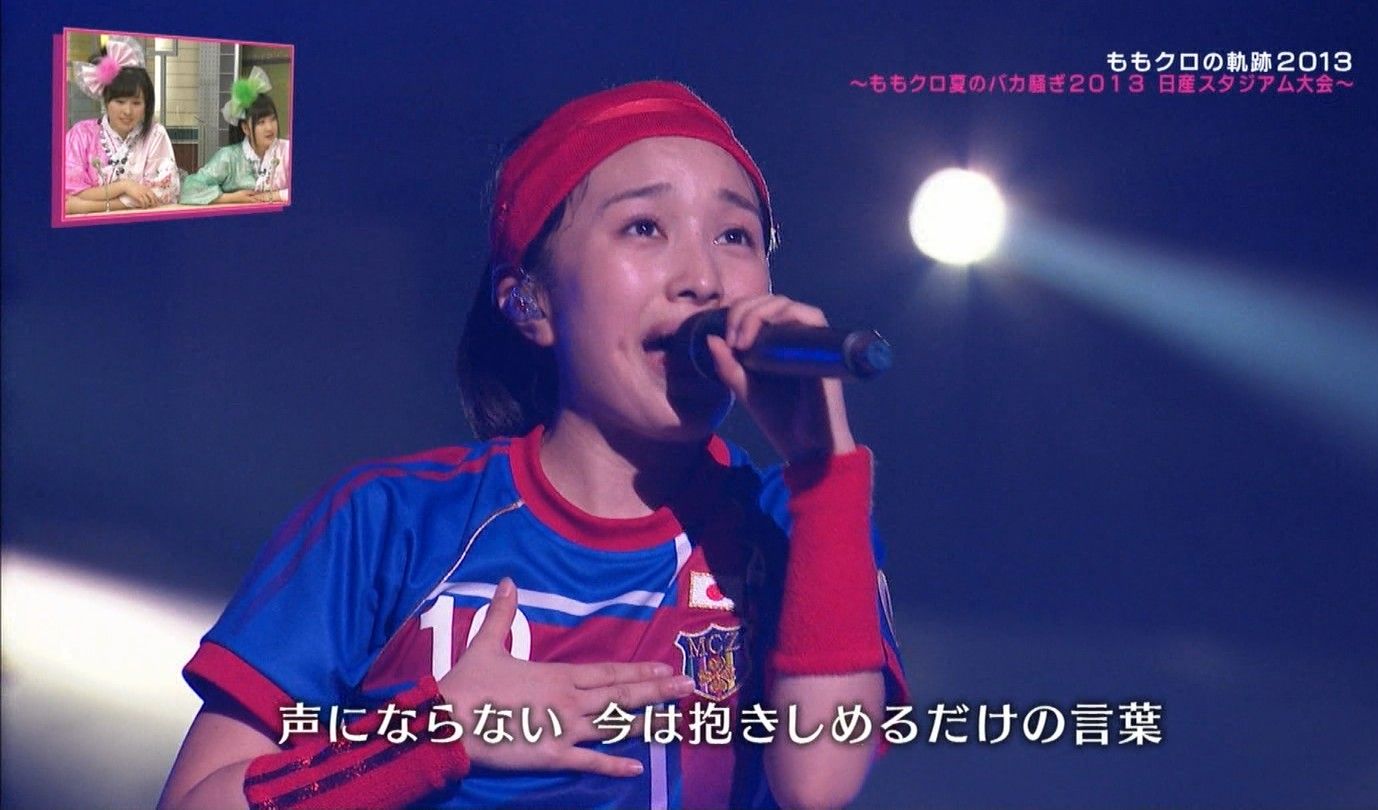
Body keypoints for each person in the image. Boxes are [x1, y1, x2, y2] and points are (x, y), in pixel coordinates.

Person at [159, 80, 906, 810]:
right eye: (644, 227)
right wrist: (432, 735)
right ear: (530, 302)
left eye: (735, 236)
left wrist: (824, 473)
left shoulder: (795, 522)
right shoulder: (388, 522)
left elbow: (819, 782)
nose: (703, 280)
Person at [63, 36, 180, 214]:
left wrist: (87, 204)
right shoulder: (80, 134)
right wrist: (125, 186)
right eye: (120, 101)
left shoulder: (156, 134)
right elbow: (69, 193)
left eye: (136, 103)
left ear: (147, 105)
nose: (127, 111)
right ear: (106, 100)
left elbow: (160, 193)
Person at [180, 67, 292, 205]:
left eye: (273, 119)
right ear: (245, 128)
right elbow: (189, 189)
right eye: (261, 122)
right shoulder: (228, 157)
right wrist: (231, 198)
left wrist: (275, 195)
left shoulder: (287, 150)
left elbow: (306, 185)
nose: (269, 127)